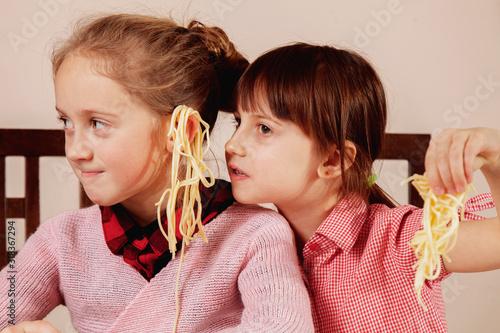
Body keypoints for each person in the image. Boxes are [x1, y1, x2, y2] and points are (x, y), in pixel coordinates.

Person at [0, 15, 314, 332]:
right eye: (66, 123)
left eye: (98, 124)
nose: (76, 150)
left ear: (180, 131)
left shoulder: (256, 235)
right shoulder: (61, 239)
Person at [225, 42, 500, 332]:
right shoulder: (249, 250)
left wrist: (494, 154)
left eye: (264, 128)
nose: (232, 144)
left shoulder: (402, 240)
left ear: (332, 160)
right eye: (238, 122)